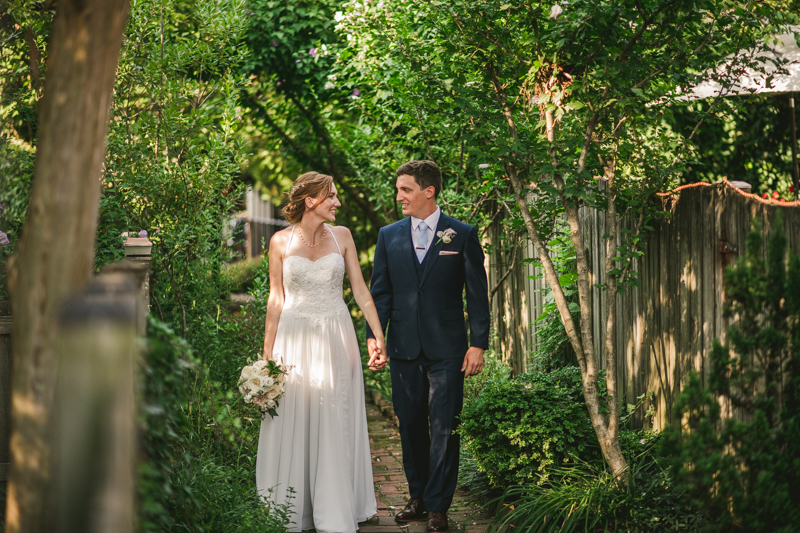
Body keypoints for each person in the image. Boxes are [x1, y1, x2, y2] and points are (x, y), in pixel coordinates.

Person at [256, 171, 387, 533]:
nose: (337, 203)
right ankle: (295, 508)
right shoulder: (280, 241)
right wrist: (267, 359)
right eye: (331, 196)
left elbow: (360, 291)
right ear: (310, 200)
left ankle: (334, 507)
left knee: (335, 412)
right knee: (296, 414)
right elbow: (276, 297)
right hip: (293, 337)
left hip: (335, 333)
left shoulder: (342, 236)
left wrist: (378, 335)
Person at [366, 160, 490, 532]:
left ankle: (438, 506)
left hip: (448, 349)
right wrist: (376, 338)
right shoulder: (389, 235)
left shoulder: (462, 234)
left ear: (428, 191)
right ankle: (417, 497)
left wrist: (478, 344)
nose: (399, 195)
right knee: (410, 426)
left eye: (405, 189)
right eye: (399, 189)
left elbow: (477, 295)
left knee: (444, 426)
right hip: (403, 347)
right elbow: (381, 293)